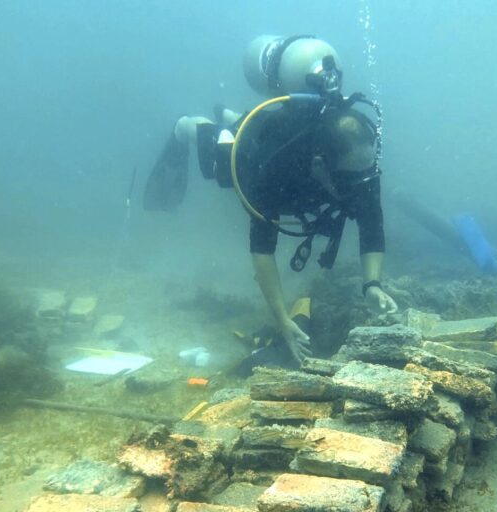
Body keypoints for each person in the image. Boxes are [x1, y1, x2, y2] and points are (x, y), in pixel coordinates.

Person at [144, 35, 397, 363]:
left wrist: (372, 284)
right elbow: (262, 250)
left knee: (243, 124)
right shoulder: (277, 167)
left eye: (363, 179)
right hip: (252, 151)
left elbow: (372, 224)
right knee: (219, 160)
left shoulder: (360, 169)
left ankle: (231, 115)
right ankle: (192, 125)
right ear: (321, 166)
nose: (357, 191)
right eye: (348, 182)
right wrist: (282, 319)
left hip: (282, 139)